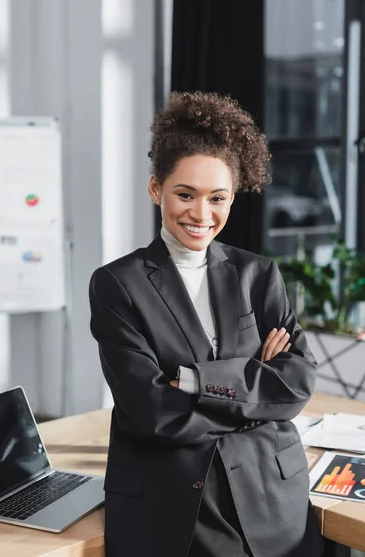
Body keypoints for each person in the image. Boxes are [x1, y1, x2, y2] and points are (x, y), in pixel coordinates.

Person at [89, 91, 324, 557]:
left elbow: (296, 385)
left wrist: (195, 380)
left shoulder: (259, 275)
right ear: (156, 189)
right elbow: (151, 411)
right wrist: (255, 390)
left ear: (232, 198)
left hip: (271, 498)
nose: (201, 214)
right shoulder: (117, 284)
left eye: (218, 198)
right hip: (175, 507)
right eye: (185, 194)